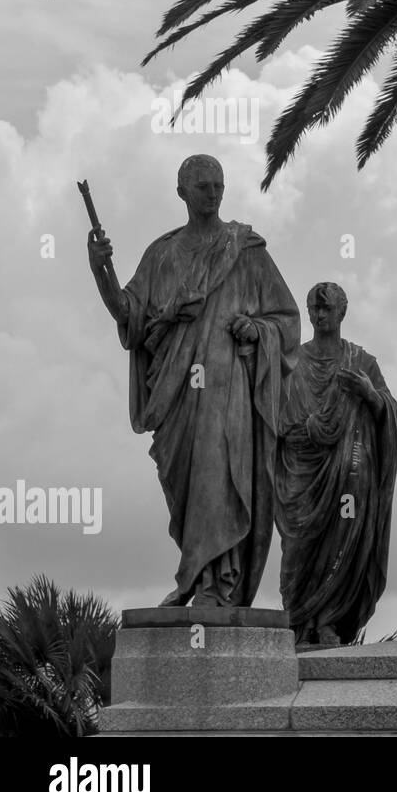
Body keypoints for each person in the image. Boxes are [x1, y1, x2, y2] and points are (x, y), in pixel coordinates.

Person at [88, 154, 299, 607]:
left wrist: (257, 329)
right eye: (204, 185)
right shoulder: (161, 254)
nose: (214, 192)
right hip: (177, 392)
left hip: (229, 389)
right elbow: (132, 317)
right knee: (186, 484)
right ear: (182, 191)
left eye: (220, 185)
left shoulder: (246, 250)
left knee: (219, 476)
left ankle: (215, 585)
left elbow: (286, 320)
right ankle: (197, 575)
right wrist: (100, 271)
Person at [275, 282, 397, 648]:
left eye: (326, 308)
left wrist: (368, 394)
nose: (319, 314)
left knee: (343, 539)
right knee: (298, 546)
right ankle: (297, 620)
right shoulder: (292, 363)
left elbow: (386, 412)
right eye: (313, 308)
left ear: (342, 312)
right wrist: (307, 429)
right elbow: (277, 424)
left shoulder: (362, 363)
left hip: (350, 475)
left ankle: (329, 621)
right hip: (303, 475)